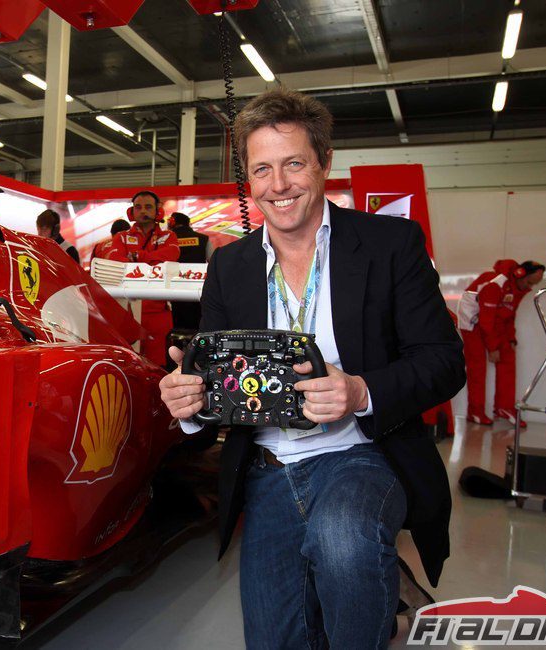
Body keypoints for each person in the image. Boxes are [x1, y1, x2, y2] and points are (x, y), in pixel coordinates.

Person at [158, 87, 465, 648]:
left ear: (324, 163)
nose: (279, 185)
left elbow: (444, 361)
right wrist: (190, 401)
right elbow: (216, 378)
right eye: (262, 169)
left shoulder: (390, 244)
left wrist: (360, 391)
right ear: (248, 181)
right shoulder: (230, 265)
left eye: (294, 163)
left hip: (363, 453)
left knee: (342, 536)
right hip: (269, 467)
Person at [459, 259, 545, 428]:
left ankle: (504, 407)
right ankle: (475, 411)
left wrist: (510, 339)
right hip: (472, 320)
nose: (530, 287)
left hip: (490, 319)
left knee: (508, 355)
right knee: (477, 365)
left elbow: (508, 315)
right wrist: (492, 348)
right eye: (529, 282)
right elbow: (486, 320)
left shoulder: (519, 287)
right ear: (520, 274)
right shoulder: (495, 284)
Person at [107, 190, 180, 366]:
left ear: (158, 211)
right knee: (128, 364)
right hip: (128, 313)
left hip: (159, 312)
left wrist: (138, 257)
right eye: (138, 207)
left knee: (159, 366)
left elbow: (172, 254)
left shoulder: (168, 236)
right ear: (132, 212)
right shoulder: (121, 237)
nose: (143, 211)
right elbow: (118, 262)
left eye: (148, 207)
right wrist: (153, 260)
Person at [167, 212, 212, 332]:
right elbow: (212, 261)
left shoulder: (167, 240)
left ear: (172, 222)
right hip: (197, 289)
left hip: (173, 289)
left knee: (177, 326)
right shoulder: (203, 239)